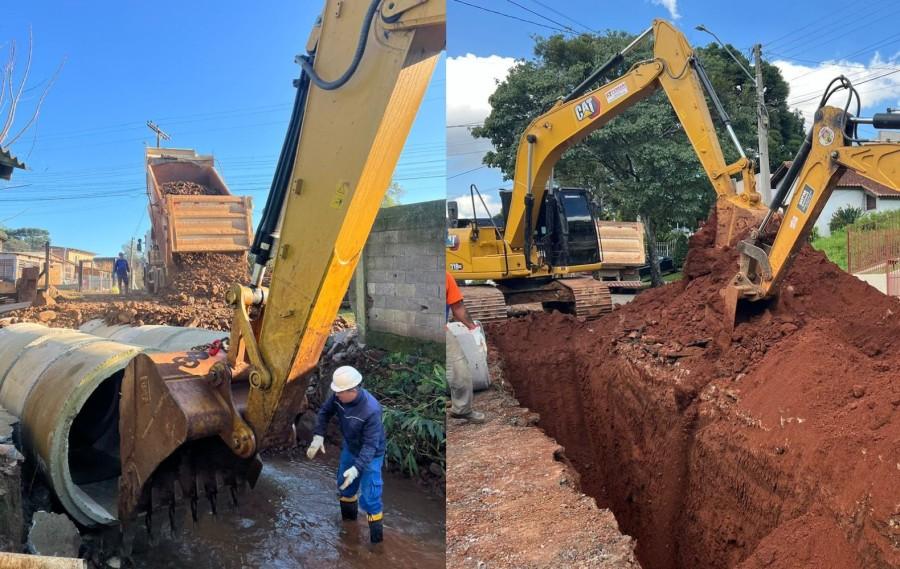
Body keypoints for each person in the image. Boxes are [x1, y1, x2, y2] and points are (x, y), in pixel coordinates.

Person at [306, 366, 387, 544]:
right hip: (351, 448)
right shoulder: (338, 398)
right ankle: (349, 529)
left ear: (353, 390)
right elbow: (325, 412)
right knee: (345, 486)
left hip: (371, 454)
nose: (336, 395)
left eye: (340, 392)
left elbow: (370, 445)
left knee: (371, 496)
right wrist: (318, 435)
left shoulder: (371, 410)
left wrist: (357, 469)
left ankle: (377, 546)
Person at [446, 271, 486, 423]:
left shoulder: (446, 277)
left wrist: (473, 328)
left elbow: (457, 307)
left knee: (459, 370)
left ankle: (461, 410)